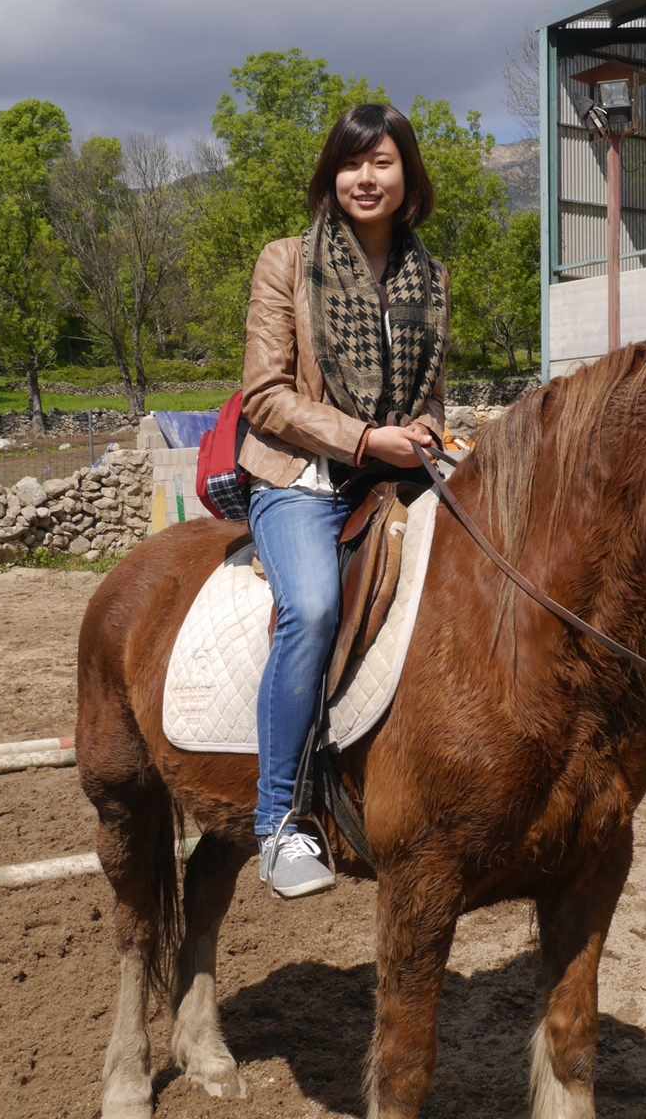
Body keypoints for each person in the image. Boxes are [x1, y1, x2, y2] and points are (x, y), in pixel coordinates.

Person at [237, 103, 449, 898]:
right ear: (332, 174)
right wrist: (365, 440)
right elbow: (264, 395)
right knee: (317, 608)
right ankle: (279, 824)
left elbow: (431, 398)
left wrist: (426, 432)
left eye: (384, 162)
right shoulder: (286, 262)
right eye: (352, 163)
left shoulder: (432, 279)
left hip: (399, 479)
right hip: (302, 481)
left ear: (408, 176)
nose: (367, 177)